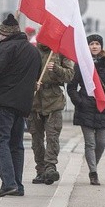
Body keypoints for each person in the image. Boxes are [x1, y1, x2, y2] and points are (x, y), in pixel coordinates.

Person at [0, 14, 42, 197]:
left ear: (4, 34)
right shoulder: (33, 51)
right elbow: (36, 77)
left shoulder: (5, 48)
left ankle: (8, 183)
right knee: (16, 144)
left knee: (0, 141)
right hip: (22, 105)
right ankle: (18, 186)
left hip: (4, 102)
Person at [67, 34, 105, 185]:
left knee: (102, 143)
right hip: (86, 108)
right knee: (90, 143)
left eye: (97, 44)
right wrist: (79, 101)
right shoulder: (81, 64)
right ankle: (93, 172)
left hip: (103, 108)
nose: (95, 46)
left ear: (101, 46)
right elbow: (71, 87)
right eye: (91, 44)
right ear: (87, 46)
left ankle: (93, 165)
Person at [29, 42, 74, 185]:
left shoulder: (60, 52)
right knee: (36, 138)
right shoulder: (32, 51)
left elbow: (69, 75)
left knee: (52, 136)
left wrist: (56, 68)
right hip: (34, 100)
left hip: (53, 100)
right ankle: (40, 170)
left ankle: (50, 167)